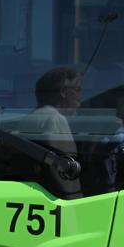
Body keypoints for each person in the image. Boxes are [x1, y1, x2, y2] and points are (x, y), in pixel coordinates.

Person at [22, 66, 83, 197]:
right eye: (77, 89)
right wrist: (75, 200)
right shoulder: (55, 119)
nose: (80, 95)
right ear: (63, 92)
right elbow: (64, 170)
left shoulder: (30, 118)